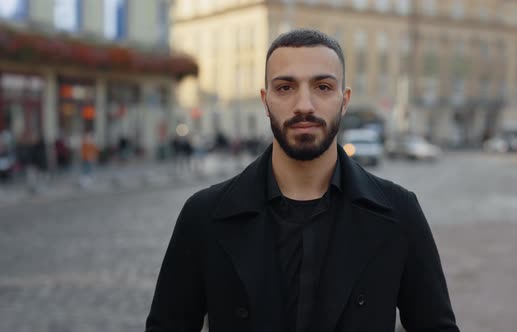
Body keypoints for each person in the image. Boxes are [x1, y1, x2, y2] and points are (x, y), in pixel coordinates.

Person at [146, 29, 459, 332]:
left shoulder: (398, 213)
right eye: (285, 88)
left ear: (344, 100)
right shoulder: (204, 215)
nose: (304, 105)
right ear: (265, 100)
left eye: (322, 87)